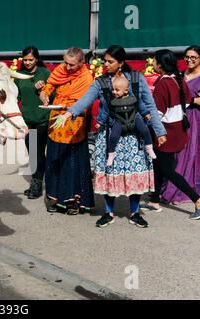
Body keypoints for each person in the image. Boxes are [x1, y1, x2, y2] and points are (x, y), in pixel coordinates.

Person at [51, 45, 167, 228]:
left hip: (133, 136)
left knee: (133, 173)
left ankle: (135, 212)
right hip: (109, 136)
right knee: (108, 174)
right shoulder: (100, 82)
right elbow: (85, 100)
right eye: (105, 60)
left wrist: (159, 131)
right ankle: (108, 212)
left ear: (121, 63)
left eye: (110, 61)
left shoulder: (137, 79)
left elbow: (150, 106)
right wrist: (68, 114)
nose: (106, 64)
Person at [140, 49, 200, 220]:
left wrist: (148, 122)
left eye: (154, 61)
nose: (152, 64)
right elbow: (186, 101)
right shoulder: (178, 79)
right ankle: (154, 201)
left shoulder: (163, 83)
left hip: (165, 132)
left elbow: (158, 113)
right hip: (177, 130)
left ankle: (199, 201)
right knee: (158, 164)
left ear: (160, 65)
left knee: (168, 170)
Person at [39, 47, 94, 214]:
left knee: (72, 164)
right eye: (65, 63)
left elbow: (85, 102)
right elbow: (50, 85)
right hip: (56, 121)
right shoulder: (61, 70)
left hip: (74, 124)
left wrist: (68, 107)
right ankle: (55, 199)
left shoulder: (86, 78)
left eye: (72, 65)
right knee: (54, 161)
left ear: (81, 63)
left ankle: (73, 202)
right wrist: (45, 93)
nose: (67, 67)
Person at [160, 45, 200, 204]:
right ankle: (178, 189)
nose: (189, 60)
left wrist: (192, 101)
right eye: (187, 57)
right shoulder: (180, 75)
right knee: (180, 155)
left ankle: (197, 190)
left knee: (198, 154)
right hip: (181, 118)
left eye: (193, 57)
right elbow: (181, 98)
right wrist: (194, 100)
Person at [14, 46, 51, 199]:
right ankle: (38, 182)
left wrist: (45, 89)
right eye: (25, 59)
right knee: (33, 153)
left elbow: (55, 93)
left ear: (37, 59)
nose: (28, 62)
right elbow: (15, 96)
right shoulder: (19, 75)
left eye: (31, 59)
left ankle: (37, 183)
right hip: (27, 120)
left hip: (43, 118)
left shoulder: (45, 73)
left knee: (39, 152)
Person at [101, 76, 156, 166]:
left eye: (117, 90)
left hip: (134, 118)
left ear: (126, 90)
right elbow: (105, 111)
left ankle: (149, 147)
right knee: (113, 136)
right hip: (120, 120)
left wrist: (146, 113)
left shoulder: (133, 98)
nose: (114, 92)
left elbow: (141, 105)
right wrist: (100, 122)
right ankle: (111, 154)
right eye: (113, 89)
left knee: (145, 130)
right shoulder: (113, 101)